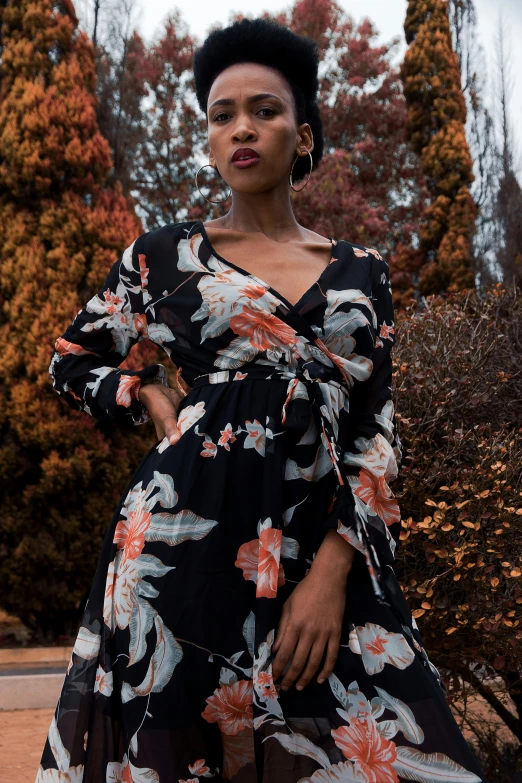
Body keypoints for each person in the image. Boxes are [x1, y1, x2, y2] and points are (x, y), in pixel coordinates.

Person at [35, 16, 488, 783]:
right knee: (186, 759)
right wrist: (142, 390)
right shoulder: (161, 258)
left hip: (323, 544)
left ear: (304, 134)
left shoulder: (361, 274)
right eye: (222, 114)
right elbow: (69, 358)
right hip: (181, 549)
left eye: (266, 110)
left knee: (403, 753)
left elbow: (376, 435)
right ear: (210, 140)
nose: (242, 127)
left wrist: (335, 570)